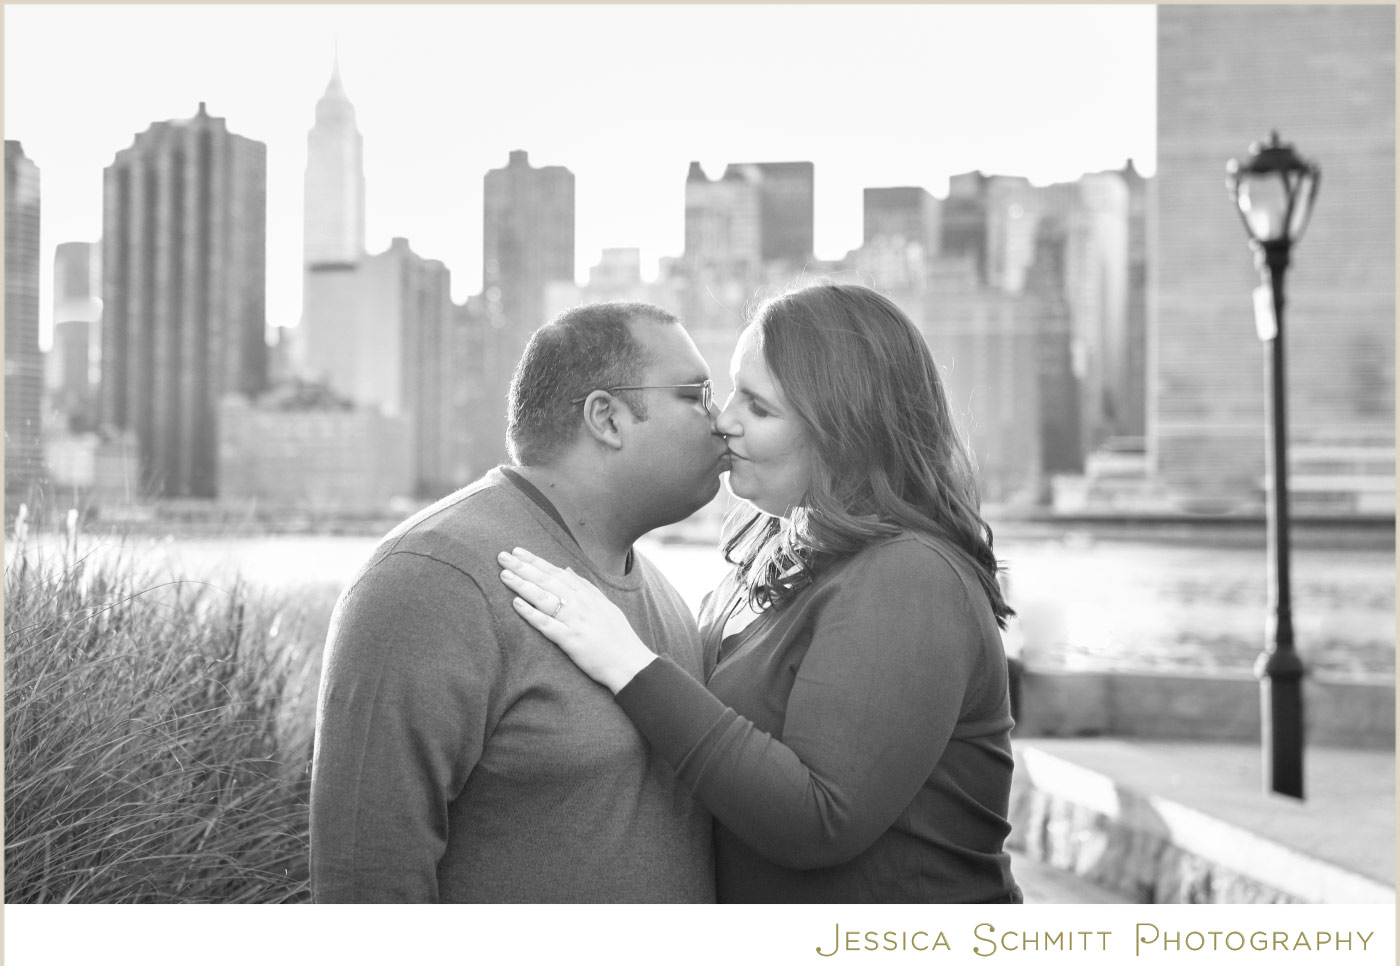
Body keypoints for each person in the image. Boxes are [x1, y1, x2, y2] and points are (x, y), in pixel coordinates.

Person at [499, 281, 1023, 904]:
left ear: (844, 430)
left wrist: (629, 663)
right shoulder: (762, 562)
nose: (723, 421)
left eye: (760, 407)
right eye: (728, 392)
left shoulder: (910, 577)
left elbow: (818, 821)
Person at [309, 301, 728, 902]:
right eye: (696, 395)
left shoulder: (665, 597)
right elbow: (365, 882)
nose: (721, 422)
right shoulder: (431, 581)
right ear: (606, 418)